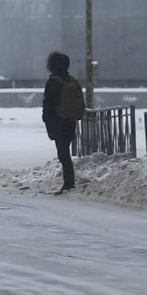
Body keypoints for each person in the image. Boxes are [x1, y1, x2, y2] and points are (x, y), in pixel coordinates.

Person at [42, 50, 85, 192]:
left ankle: (69, 183)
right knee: (64, 151)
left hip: (58, 121)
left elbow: (49, 103)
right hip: (69, 120)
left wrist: (46, 118)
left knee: (63, 153)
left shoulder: (53, 82)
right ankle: (69, 182)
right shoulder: (70, 80)